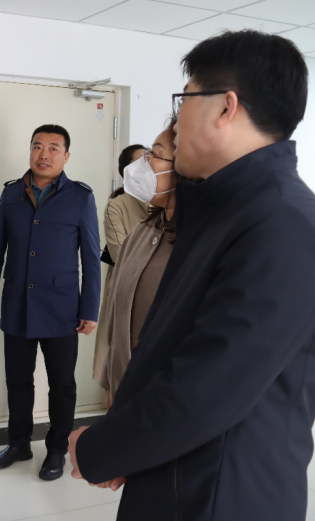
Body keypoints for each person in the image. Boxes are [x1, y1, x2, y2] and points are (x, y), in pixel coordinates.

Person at [69, 30, 315, 521]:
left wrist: (102, 449)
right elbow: (170, 348)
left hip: (220, 494)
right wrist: (128, 441)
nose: (176, 122)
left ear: (225, 107)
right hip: (175, 473)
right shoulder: (223, 211)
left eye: (184, 101)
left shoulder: (285, 225)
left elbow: (204, 391)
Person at [0, 124, 101, 481]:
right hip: (17, 303)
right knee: (18, 381)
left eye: (53, 148)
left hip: (62, 308)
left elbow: (91, 257)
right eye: (37, 146)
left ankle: (57, 450)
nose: (43, 154)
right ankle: (18, 444)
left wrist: (89, 309)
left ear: (66, 155)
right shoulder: (12, 193)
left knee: (62, 384)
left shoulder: (80, 197)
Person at [98, 120, 178, 408]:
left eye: (154, 154)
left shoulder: (201, 241)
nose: (143, 163)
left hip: (162, 404)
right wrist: (110, 381)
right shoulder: (143, 232)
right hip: (126, 394)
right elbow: (119, 315)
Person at [92, 144, 149, 390]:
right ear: (127, 171)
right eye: (141, 161)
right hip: (127, 291)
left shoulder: (170, 202)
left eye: (151, 158)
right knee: (120, 370)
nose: (148, 165)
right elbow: (122, 255)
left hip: (161, 294)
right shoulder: (118, 205)